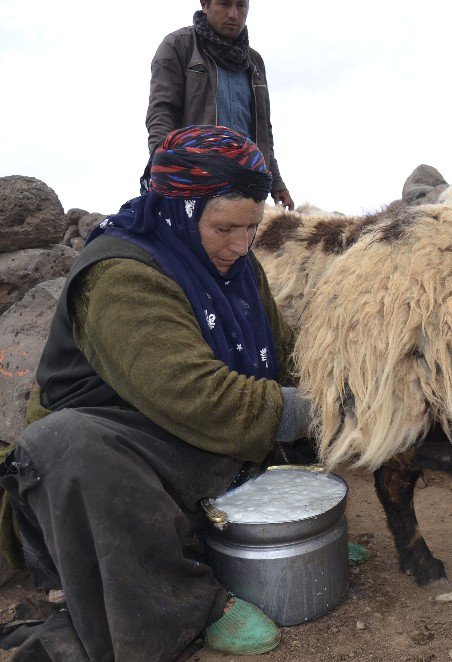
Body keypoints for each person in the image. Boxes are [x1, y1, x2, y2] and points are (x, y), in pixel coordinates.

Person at [0, 126, 312, 660]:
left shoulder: (236, 265)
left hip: (197, 446)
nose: (241, 245)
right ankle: (189, 601)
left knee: (282, 407)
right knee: (67, 444)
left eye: (252, 228)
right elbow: (198, 398)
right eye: (224, 228)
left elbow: (282, 359)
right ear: (177, 210)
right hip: (127, 460)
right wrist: (313, 411)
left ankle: (280, 547)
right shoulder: (121, 275)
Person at [146, 0, 295, 210]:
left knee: (244, 242)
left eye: (241, 5)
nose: (234, 14)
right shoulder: (179, 45)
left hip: (248, 182)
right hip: (196, 178)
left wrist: (276, 182)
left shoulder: (255, 62)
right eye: (224, 4)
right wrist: (162, 164)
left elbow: (263, 130)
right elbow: (162, 110)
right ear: (205, 4)